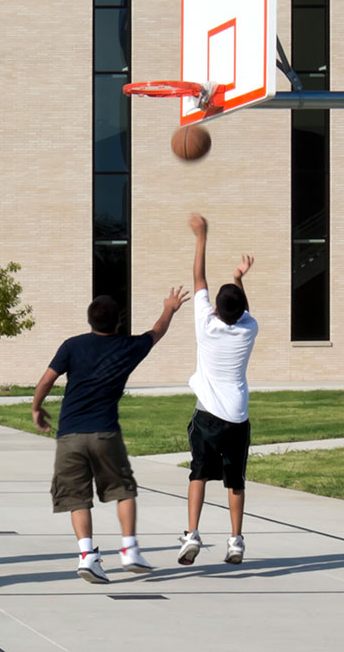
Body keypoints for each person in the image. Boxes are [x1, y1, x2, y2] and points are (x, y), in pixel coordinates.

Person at [31, 279, 191, 583]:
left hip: (70, 435)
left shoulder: (72, 345)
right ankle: (129, 549)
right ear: (118, 321)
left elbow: (46, 381)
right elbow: (156, 332)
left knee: (77, 498)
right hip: (105, 433)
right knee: (123, 489)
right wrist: (169, 309)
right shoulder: (127, 347)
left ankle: (87, 556)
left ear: (90, 320)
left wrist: (37, 408)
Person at [175, 213, 258, 565]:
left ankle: (192, 533)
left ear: (216, 309)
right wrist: (239, 276)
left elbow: (198, 278)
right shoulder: (249, 328)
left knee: (198, 473)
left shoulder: (205, 325)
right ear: (240, 311)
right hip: (237, 416)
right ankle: (236, 540)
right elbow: (242, 306)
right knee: (235, 480)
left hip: (208, 415)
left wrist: (201, 237)